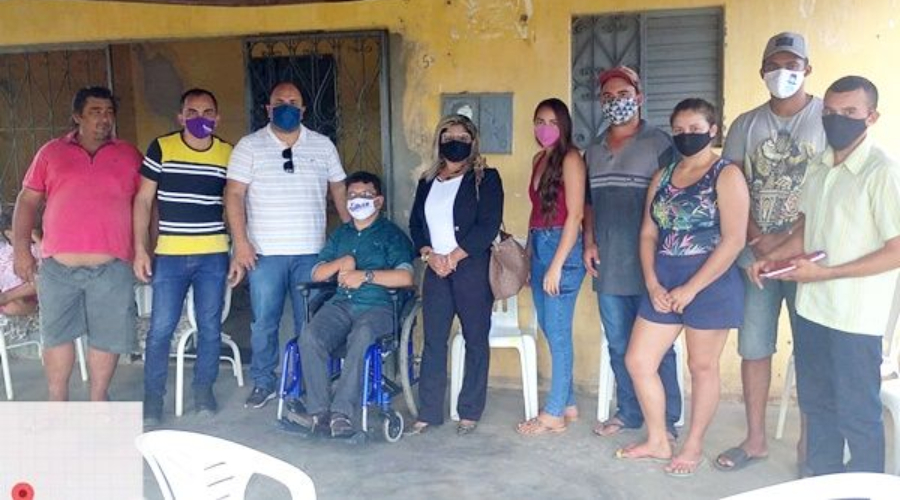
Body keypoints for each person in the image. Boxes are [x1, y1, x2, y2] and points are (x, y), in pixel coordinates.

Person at [749, 76, 899, 475]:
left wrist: (827, 273)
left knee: (858, 413)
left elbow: (897, 250)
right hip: (813, 309)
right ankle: (823, 478)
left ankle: (864, 490)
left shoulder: (883, 172)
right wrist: (773, 258)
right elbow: (808, 226)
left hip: (855, 318)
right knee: (817, 405)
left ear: (871, 116)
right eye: (830, 112)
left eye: (849, 112)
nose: (837, 119)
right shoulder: (817, 165)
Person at [716, 32, 826, 474]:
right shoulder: (745, 125)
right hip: (753, 258)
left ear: (807, 69)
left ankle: (809, 446)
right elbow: (732, 185)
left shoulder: (826, 118)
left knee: (811, 352)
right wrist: (757, 237)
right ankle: (756, 439)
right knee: (754, 347)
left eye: (792, 65)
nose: (784, 73)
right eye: (775, 66)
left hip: (807, 258)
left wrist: (781, 245)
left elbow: (831, 192)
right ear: (762, 71)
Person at [621, 98, 749, 477]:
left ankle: (692, 444)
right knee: (639, 361)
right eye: (679, 130)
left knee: (701, 366)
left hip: (711, 282)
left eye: (695, 129)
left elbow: (734, 240)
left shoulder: (726, 174)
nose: (686, 136)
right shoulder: (662, 176)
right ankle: (658, 439)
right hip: (664, 277)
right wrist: (652, 282)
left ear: (713, 130)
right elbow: (648, 233)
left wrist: (692, 288)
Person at [225, 82, 350, 409]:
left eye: (293, 101)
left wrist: (352, 233)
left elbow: (339, 189)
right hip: (263, 253)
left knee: (308, 323)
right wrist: (241, 243)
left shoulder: (322, 145)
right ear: (268, 109)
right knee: (263, 323)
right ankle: (264, 381)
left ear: (303, 109)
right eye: (279, 101)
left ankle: (307, 383)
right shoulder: (249, 146)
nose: (286, 106)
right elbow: (234, 194)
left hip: (311, 252)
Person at [13, 86, 143, 401]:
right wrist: (21, 250)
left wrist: (145, 250)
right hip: (58, 268)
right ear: (77, 117)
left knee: (107, 337)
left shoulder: (129, 155)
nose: (104, 118)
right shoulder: (51, 152)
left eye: (109, 112)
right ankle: (58, 401)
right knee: (57, 336)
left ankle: (98, 398)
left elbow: (146, 205)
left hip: (111, 267)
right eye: (95, 112)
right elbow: (27, 201)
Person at [582, 66, 682, 440]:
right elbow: (588, 203)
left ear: (639, 98)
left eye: (623, 95)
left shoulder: (660, 144)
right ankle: (629, 412)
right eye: (607, 97)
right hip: (609, 264)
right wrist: (589, 241)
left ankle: (667, 419)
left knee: (659, 347)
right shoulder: (594, 150)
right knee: (619, 343)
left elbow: (675, 199)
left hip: (652, 267)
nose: (615, 103)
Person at [286, 172, 414, 437]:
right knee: (310, 336)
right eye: (352, 195)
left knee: (362, 335)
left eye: (365, 195)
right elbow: (317, 273)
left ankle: (341, 414)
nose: (357, 199)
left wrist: (365, 276)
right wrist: (342, 262)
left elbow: (405, 277)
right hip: (341, 304)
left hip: (378, 306)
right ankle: (319, 413)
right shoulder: (340, 235)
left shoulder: (392, 235)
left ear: (378, 201)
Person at [134, 88, 235, 424]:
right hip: (170, 256)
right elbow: (143, 201)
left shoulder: (227, 153)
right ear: (180, 117)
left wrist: (238, 250)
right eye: (191, 112)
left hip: (213, 255)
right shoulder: (162, 148)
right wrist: (140, 249)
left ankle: (204, 391)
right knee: (161, 329)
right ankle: (152, 399)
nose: (199, 118)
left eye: (207, 112)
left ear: (218, 118)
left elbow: (236, 203)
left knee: (209, 327)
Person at [406, 114, 503, 436]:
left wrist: (454, 257)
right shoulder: (427, 181)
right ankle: (429, 411)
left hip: (471, 268)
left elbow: (488, 225)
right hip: (435, 270)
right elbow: (416, 225)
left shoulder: (485, 178)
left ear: (473, 142)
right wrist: (429, 255)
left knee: (475, 339)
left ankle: (469, 411)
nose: (455, 143)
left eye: (462, 138)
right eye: (448, 137)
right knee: (434, 342)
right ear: (439, 141)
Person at [515, 98, 586, 435]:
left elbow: (575, 215)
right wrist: (530, 259)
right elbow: (535, 214)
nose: (545, 128)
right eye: (540, 121)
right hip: (540, 246)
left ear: (564, 126)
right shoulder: (538, 159)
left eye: (553, 123)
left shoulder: (571, 159)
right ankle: (568, 403)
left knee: (557, 333)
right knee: (548, 326)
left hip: (563, 249)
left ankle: (554, 412)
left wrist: (556, 265)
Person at [0, 205, 39, 317]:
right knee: (11, 306)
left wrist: (36, 238)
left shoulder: (36, 247)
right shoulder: (4, 250)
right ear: (8, 234)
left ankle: (8, 298)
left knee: (14, 307)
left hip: (27, 292)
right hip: (6, 290)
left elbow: (49, 267)